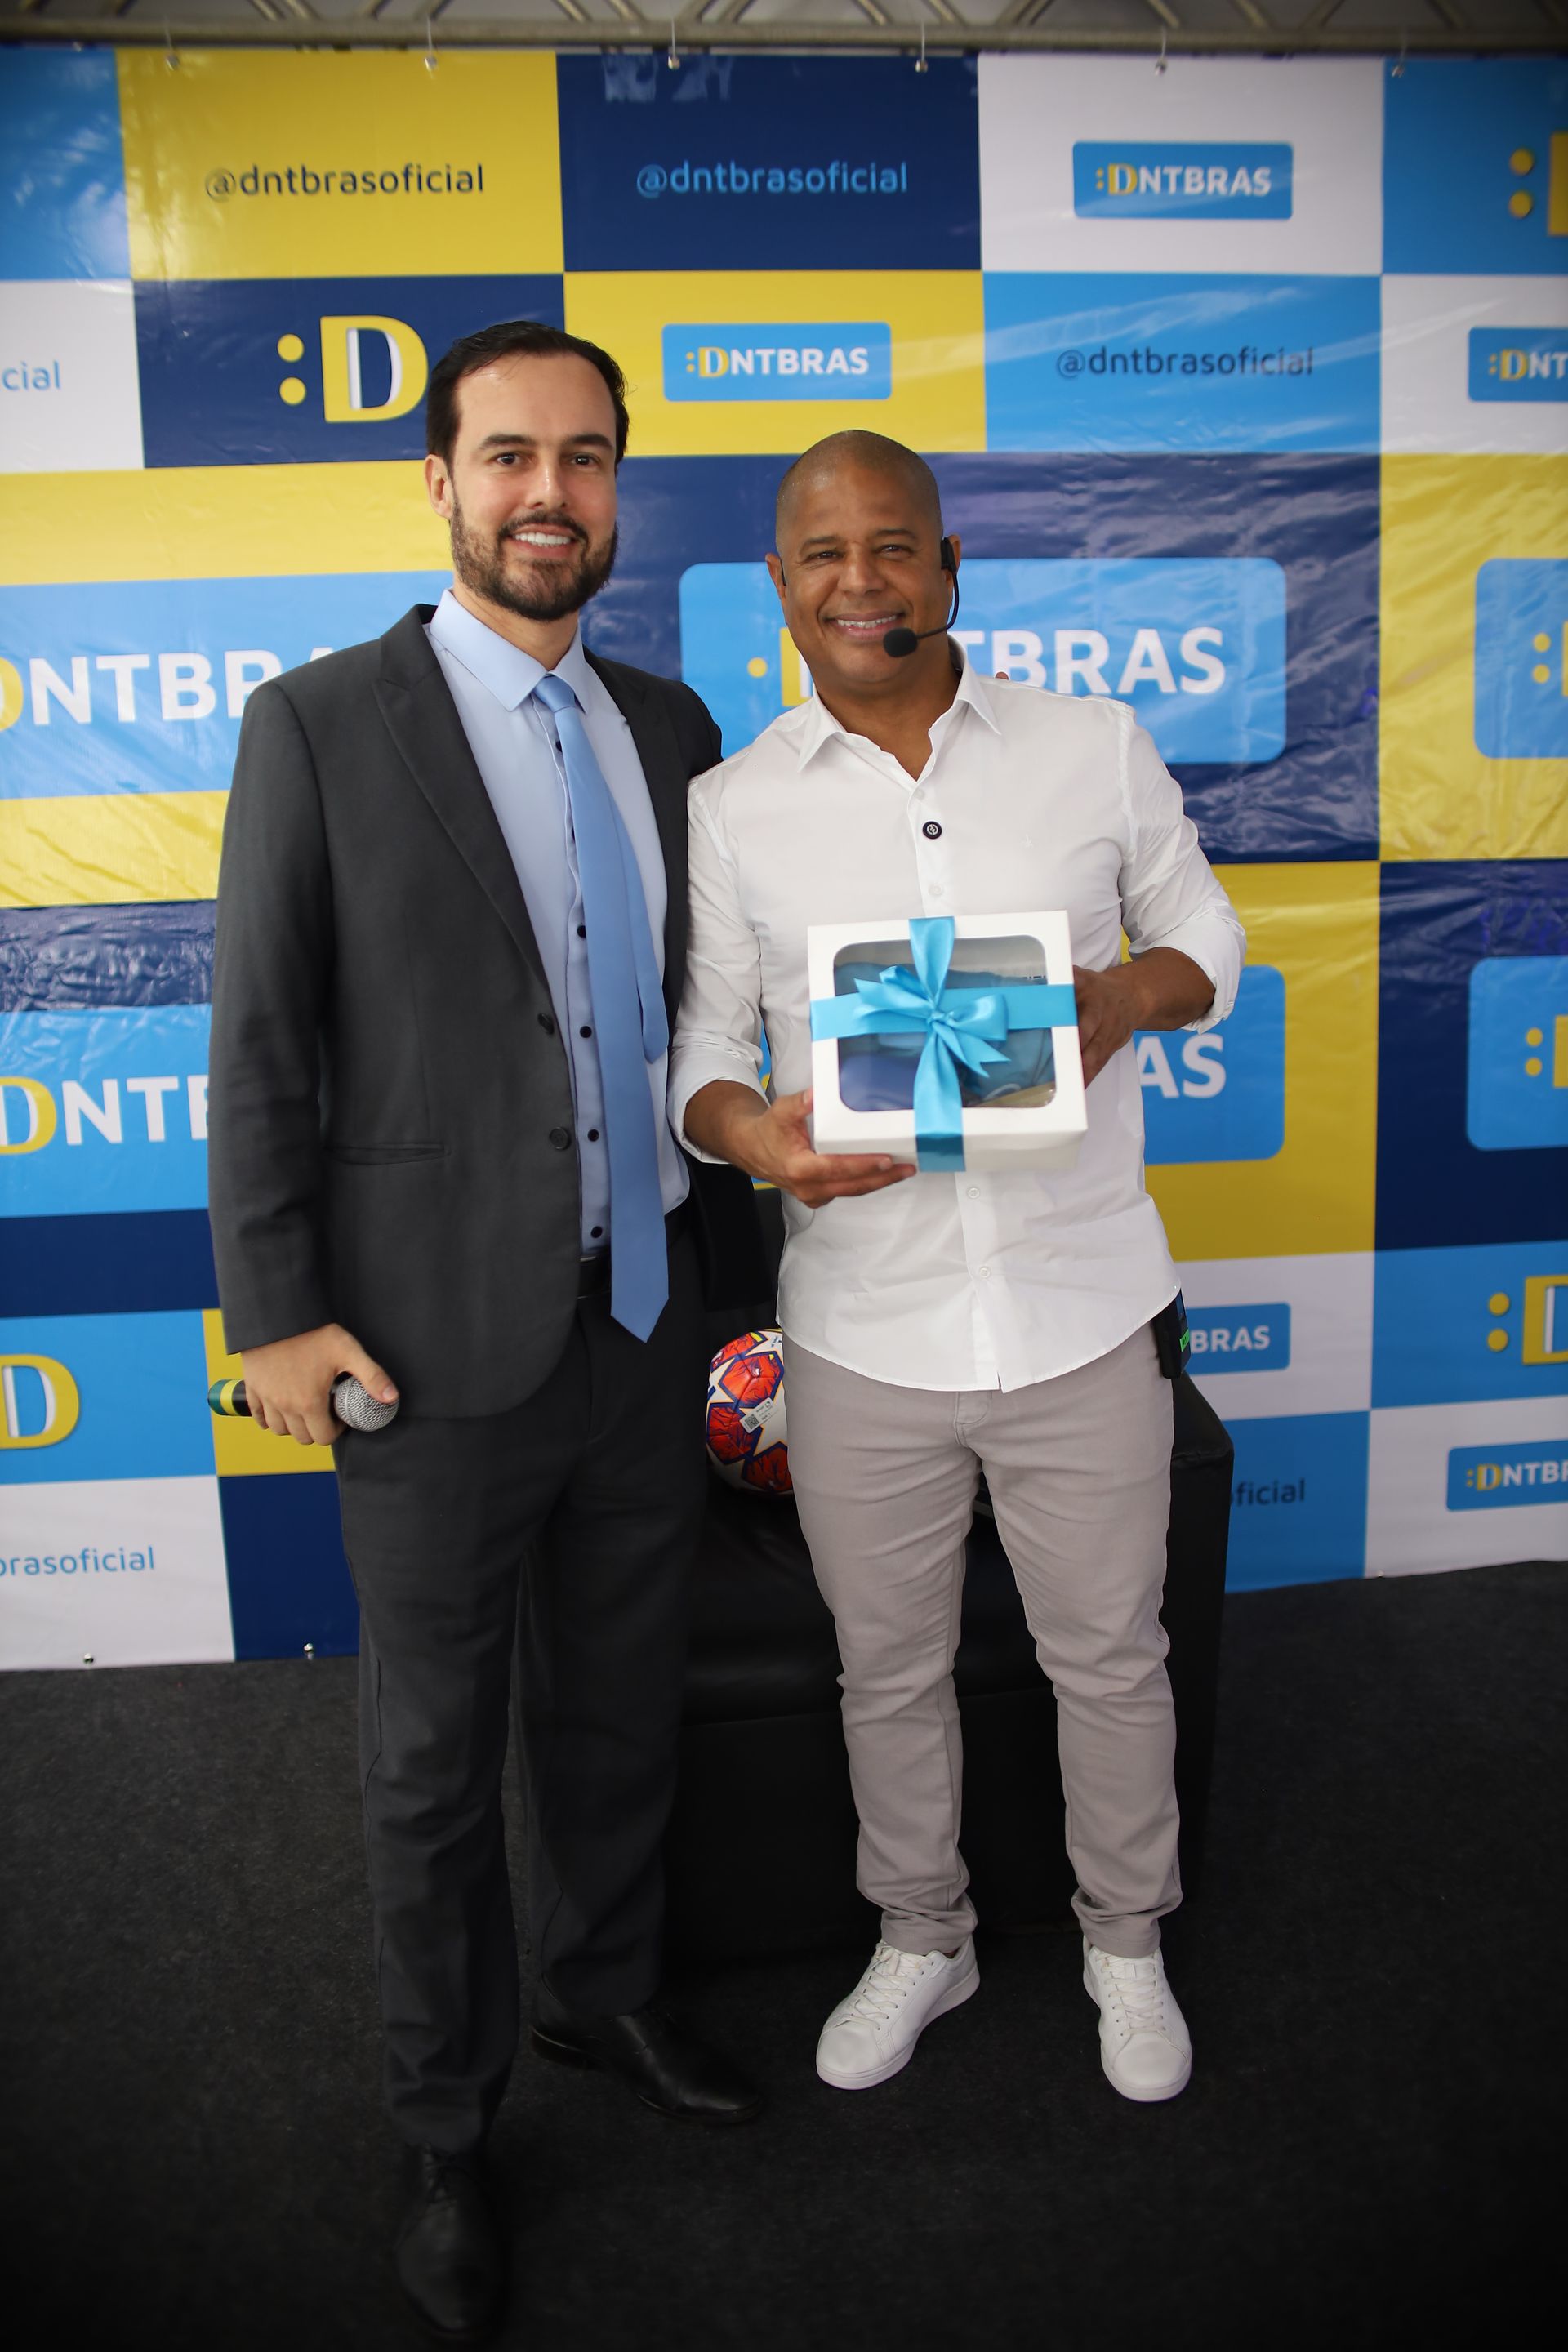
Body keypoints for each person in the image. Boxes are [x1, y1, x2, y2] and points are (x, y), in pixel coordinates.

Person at [208, 319, 764, 2347]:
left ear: (622, 486)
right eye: (510, 454)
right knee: (430, 1773)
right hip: (425, 1355)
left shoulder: (674, 723)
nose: (553, 492)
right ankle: (444, 2128)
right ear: (437, 482)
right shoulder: (320, 724)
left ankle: (599, 1994)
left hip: (645, 1323)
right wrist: (278, 1312)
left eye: (590, 458)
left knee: (626, 1710)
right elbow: (261, 1048)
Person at [674, 430, 1245, 2109]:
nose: (864, 579)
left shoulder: (1093, 747)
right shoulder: (732, 810)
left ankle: (1124, 1942)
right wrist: (750, 1137)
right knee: (886, 1668)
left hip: (1081, 1302)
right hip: (862, 1330)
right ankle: (925, 1933)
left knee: (1111, 1655)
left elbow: (1205, 933)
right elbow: (701, 1048)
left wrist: (1122, 998)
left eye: (895, 544)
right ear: (781, 586)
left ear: (948, 564)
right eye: (825, 552)